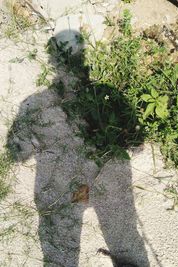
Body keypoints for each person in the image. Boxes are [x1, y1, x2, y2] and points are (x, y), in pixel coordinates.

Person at [6, 30, 150, 267]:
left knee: (61, 243)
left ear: (53, 62)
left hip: (65, 186)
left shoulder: (35, 103)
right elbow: (137, 143)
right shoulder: (106, 92)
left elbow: (17, 153)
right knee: (124, 237)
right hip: (108, 178)